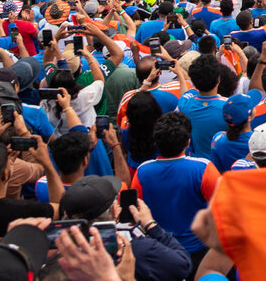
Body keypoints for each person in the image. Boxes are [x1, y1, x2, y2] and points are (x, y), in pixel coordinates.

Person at [60, 176, 191, 281]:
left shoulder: (61, 255)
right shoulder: (139, 249)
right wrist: (151, 225)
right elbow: (183, 265)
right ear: (114, 212)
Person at [130, 113, 219, 263]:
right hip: (196, 249)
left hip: (159, 249)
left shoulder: (142, 171)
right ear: (188, 142)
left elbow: (135, 210)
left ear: (156, 143)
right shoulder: (203, 168)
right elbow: (220, 209)